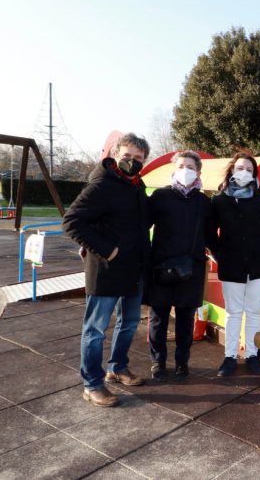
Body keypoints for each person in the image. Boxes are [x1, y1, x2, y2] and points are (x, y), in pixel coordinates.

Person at [63, 133, 151, 407]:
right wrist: (107, 249)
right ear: (114, 155)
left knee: (129, 323)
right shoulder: (102, 185)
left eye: (138, 158)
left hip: (132, 269)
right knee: (96, 330)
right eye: (127, 156)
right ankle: (92, 384)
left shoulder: (137, 185)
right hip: (106, 269)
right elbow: (72, 221)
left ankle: (118, 367)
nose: (132, 162)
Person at [211, 151, 260, 377]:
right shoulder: (220, 199)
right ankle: (230, 356)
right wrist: (218, 253)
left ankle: (252, 354)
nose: (244, 172)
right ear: (232, 170)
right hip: (232, 264)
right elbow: (210, 231)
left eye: (249, 170)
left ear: (255, 175)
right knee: (233, 312)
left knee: (253, 312)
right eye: (240, 168)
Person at [145, 150, 215, 382]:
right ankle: (158, 361)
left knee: (186, 319)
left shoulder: (204, 202)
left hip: (191, 269)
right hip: (161, 267)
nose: (186, 170)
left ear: (198, 172)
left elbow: (211, 235)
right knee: (158, 317)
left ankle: (182, 362)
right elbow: (140, 225)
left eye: (191, 167)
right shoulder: (160, 196)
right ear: (174, 169)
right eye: (182, 165)